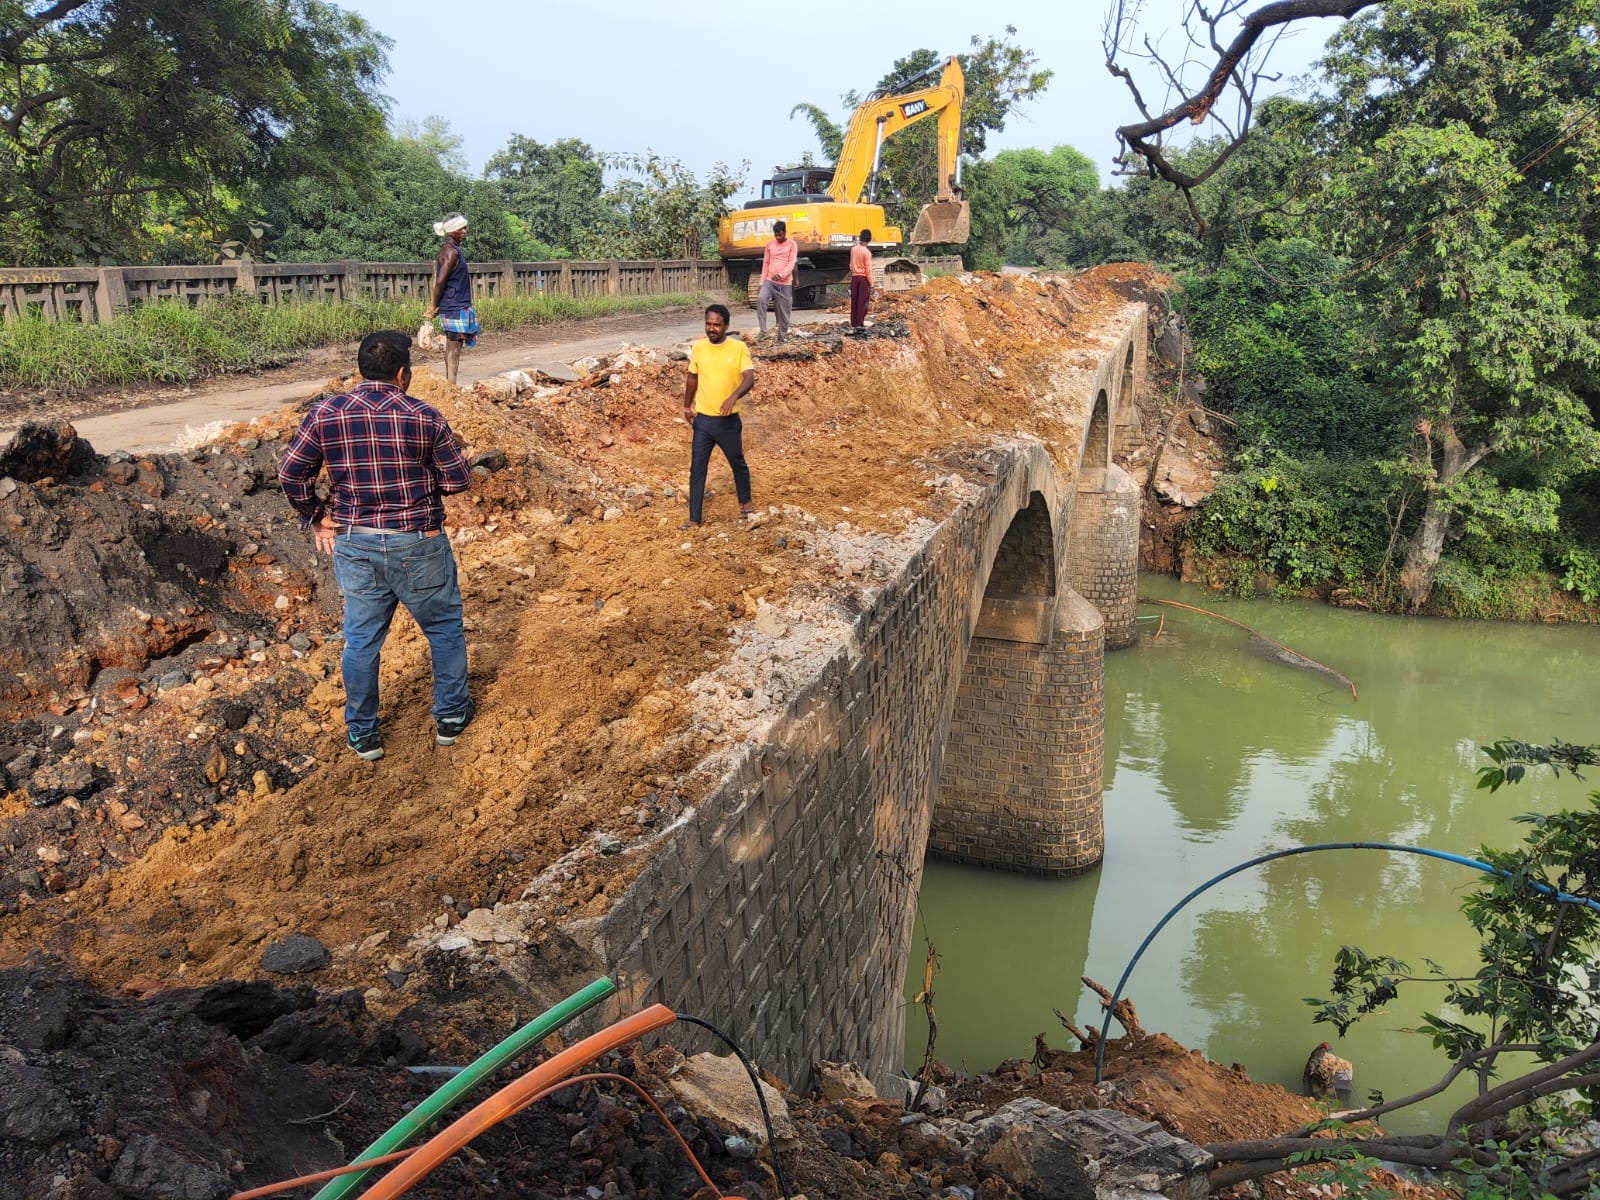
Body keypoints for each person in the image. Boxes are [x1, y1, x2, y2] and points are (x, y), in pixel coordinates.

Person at [279, 330, 475, 761]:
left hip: (355, 542)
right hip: (418, 543)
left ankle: (364, 733)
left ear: (360, 370)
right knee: (443, 630)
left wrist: (317, 517)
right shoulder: (424, 416)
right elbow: (458, 480)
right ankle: (450, 717)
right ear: (403, 374)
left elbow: (291, 474)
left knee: (362, 640)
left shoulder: (325, 413)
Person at [682, 303, 755, 528]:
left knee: (737, 463)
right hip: (703, 421)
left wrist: (734, 396)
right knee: (697, 469)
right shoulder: (699, 347)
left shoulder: (738, 348)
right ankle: (694, 519)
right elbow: (692, 377)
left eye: (716, 325)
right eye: (708, 324)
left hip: (728, 422)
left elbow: (749, 377)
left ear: (726, 325)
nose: (711, 329)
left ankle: (746, 505)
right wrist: (686, 406)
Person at [425, 213, 478, 384]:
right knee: (454, 345)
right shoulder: (451, 252)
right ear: (450, 232)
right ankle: (451, 385)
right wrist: (433, 306)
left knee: (453, 343)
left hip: (454, 303)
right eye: (460, 229)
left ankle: (450, 383)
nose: (464, 231)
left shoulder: (451, 249)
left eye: (465, 228)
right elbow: (440, 281)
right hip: (454, 305)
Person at [755, 219, 797, 343]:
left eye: (780, 234)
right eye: (776, 235)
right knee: (761, 299)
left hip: (784, 284)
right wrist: (761, 282)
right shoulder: (769, 244)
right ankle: (763, 332)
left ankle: (782, 337)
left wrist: (781, 275)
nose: (778, 237)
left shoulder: (792, 244)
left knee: (784, 312)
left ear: (785, 232)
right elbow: (766, 263)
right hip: (769, 281)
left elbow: (792, 263)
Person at [849, 228, 874, 330]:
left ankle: (853, 322)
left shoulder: (853, 249)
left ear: (860, 238)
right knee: (862, 302)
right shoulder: (867, 253)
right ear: (869, 239)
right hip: (863, 279)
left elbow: (851, 265)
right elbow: (868, 270)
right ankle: (860, 322)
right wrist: (871, 283)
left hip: (854, 278)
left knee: (854, 300)